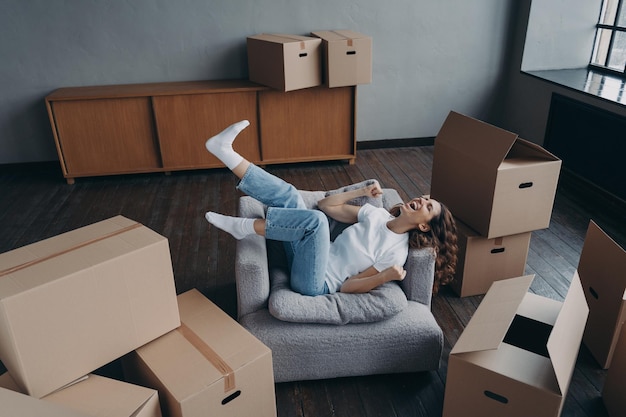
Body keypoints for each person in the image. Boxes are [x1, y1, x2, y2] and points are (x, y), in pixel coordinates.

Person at [204, 120, 458, 296]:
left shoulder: (396, 253)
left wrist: (385, 277)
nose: (422, 200)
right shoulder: (377, 215)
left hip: (317, 284)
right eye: (425, 198)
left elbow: (348, 287)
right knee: (291, 195)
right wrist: (361, 192)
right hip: (305, 258)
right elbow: (326, 205)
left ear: (424, 225)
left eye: (428, 206)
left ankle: (244, 227)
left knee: (316, 223)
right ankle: (225, 151)